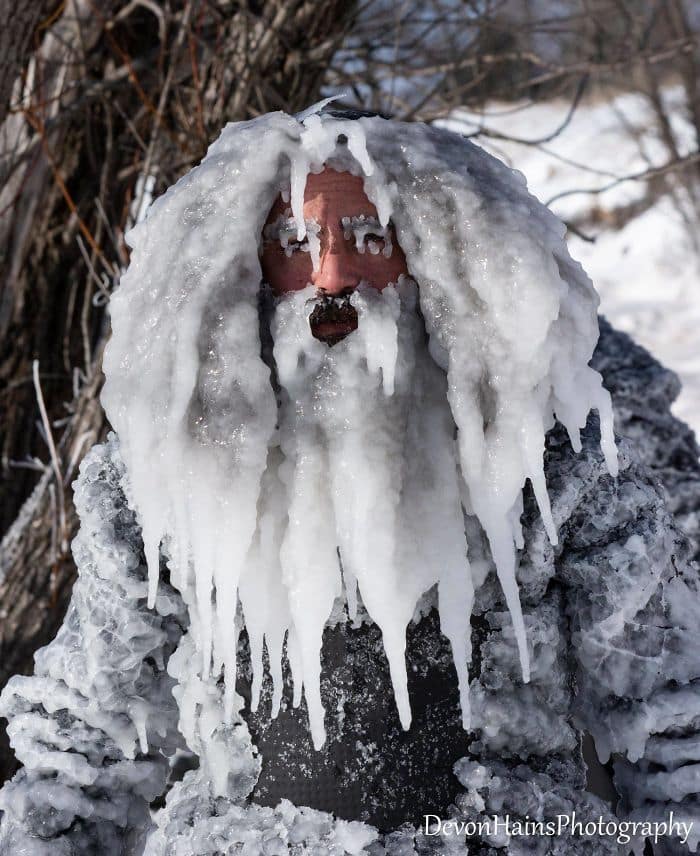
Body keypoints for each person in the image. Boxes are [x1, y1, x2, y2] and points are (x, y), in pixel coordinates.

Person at [0, 104, 699, 856]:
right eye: (295, 242)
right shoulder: (161, 477)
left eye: (370, 239)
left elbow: (668, 723)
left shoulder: (548, 463)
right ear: (244, 268)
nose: (332, 275)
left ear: (435, 254)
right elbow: (86, 742)